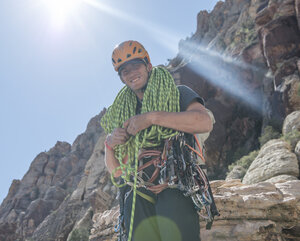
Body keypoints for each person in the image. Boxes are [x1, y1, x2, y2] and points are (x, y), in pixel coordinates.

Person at [100, 40, 215, 241]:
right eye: (124, 71)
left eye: (136, 65)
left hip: (176, 186)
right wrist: (109, 145)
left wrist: (151, 118)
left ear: (148, 65)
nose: (131, 72)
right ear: (121, 78)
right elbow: (117, 172)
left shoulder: (177, 94)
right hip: (138, 192)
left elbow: (204, 122)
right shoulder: (125, 114)